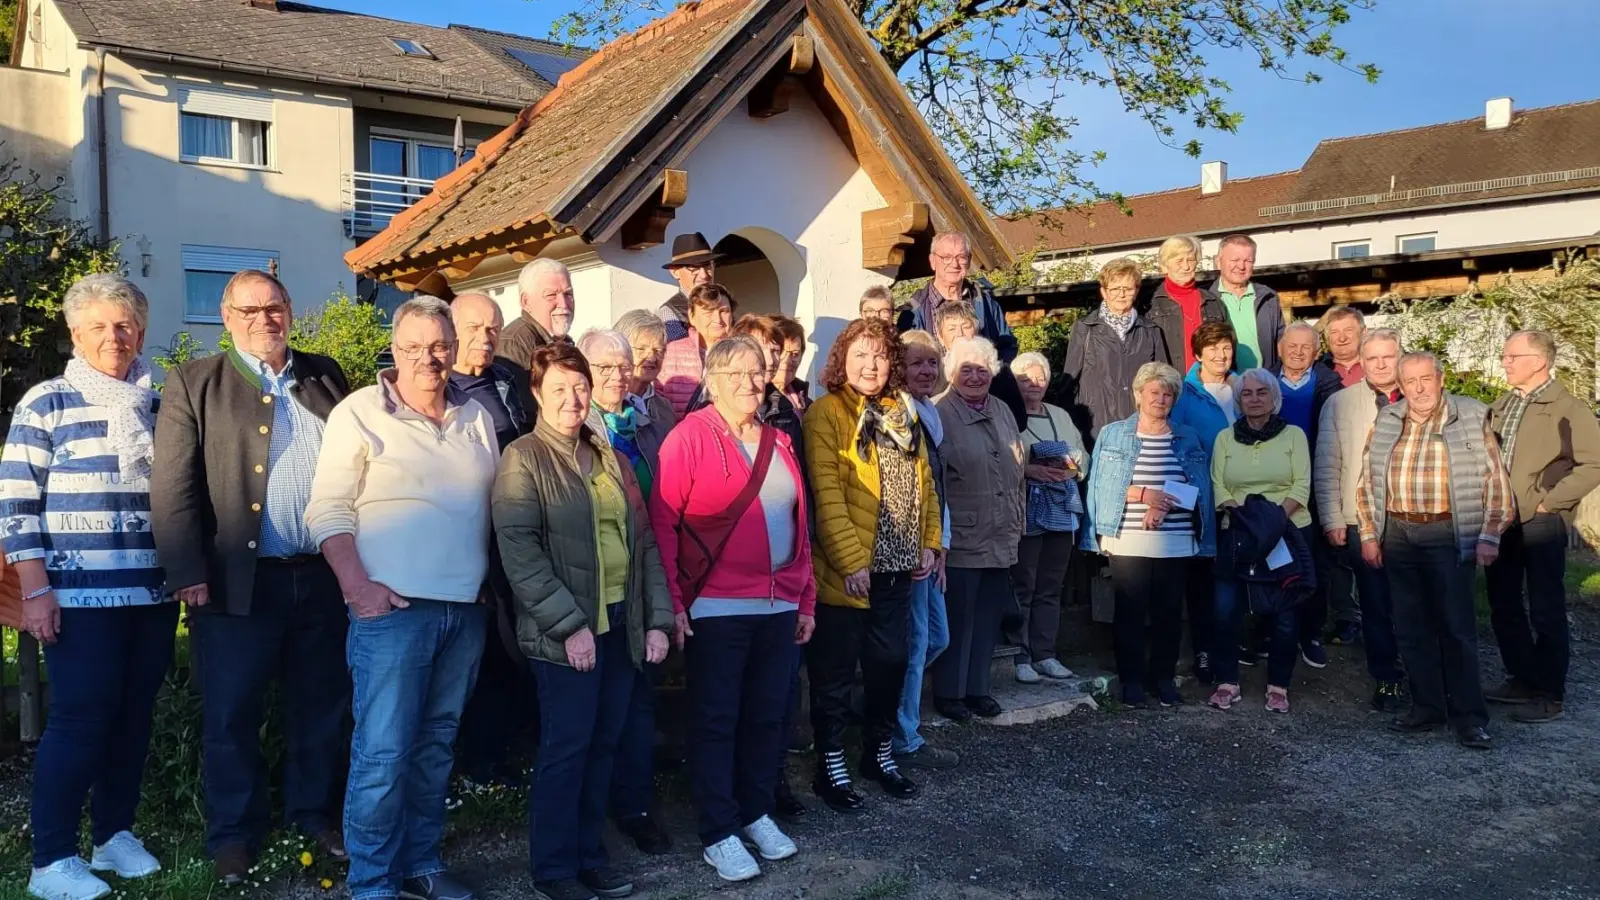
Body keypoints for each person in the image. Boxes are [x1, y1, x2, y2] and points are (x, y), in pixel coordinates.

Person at [150, 270, 351, 885]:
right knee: (231, 713)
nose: (265, 319)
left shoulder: (324, 374)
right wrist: (187, 571)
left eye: (275, 307)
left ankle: (313, 815)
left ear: (290, 310)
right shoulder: (195, 382)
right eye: (250, 310)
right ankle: (234, 835)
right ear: (227, 316)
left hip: (322, 576)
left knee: (321, 705)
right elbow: (174, 486)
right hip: (236, 583)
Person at [306, 296, 499, 900]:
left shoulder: (476, 416)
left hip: (464, 609)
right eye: (413, 348)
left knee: (436, 745)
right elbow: (327, 509)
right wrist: (356, 587)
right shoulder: (360, 412)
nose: (427, 359)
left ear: (454, 348)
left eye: (439, 346)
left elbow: (492, 505)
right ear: (393, 349)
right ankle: (372, 881)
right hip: (391, 612)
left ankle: (420, 864)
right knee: (383, 751)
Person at [2, 274, 172, 900]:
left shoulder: (160, 405)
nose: (113, 337)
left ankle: (112, 834)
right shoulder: (46, 402)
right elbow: (16, 500)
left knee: (133, 715)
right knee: (80, 718)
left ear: (141, 333)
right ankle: (50, 859)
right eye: (98, 326)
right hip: (77, 597)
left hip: (152, 594)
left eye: (124, 325)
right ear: (75, 334)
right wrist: (35, 589)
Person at [492, 341, 673, 900]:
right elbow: (520, 554)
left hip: (621, 620)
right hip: (566, 631)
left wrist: (657, 618)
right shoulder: (523, 459)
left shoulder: (607, 456)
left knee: (604, 743)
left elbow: (643, 542)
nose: (572, 399)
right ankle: (553, 869)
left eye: (580, 387)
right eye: (559, 389)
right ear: (537, 394)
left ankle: (591, 856)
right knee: (567, 748)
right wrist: (570, 627)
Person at [650, 336, 816, 883]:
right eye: (736, 373)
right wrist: (673, 602)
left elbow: (800, 526)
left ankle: (755, 811)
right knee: (717, 719)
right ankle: (718, 830)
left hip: (778, 603)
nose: (749, 382)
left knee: (768, 715)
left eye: (757, 372)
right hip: (717, 605)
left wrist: (805, 597)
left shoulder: (778, 440)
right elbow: (663, 526)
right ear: (713, 380)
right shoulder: (688, 437)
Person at [802, 318, 941, 811]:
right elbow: (826, 492)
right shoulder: (825, 413)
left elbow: (925, 483)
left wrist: (930, 542)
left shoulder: (903, 411)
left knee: (890, 666)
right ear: (842, 360)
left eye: (880, 355)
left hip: (897, 567)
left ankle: (878, 754)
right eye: (860, 354)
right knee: (835, 674)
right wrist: (849, 561)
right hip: (846, 573)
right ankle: (831, 764)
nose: (871, 364)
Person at [1356, 352, 1514, 750]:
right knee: (1410, 627)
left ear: (1440, 379)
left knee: (1456, 629)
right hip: (1398, 532)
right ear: (1401, 386)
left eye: (1426, 378)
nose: (1419, 388)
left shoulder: (1470, 417)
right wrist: (1369, 534)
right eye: (1410, 381)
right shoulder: (1388, 420)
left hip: (1447, 532)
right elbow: (1367, 481)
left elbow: (1495, 480)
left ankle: (1470, 718)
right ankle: (1427, 707)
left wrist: (1490, 534)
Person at [576, 328, 676, 856]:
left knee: (638, 702)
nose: (617, 376)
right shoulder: (575, 426)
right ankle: (592, 817)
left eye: (622, 365)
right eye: (604, 368)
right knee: (596, 708)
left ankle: (635, 805)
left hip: (646, 573)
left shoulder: (647, 421)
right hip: (594, 586)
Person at [1082, 362, 1215, 708]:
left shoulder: (1187, 436)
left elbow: (1200, 489)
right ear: (1139, 395)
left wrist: (1164, 503)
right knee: (1130, 611)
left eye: (1167, 394)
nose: (1160, 399)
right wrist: (1145, 495)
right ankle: (1132, 682)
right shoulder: (1113, 434)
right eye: (1154, 392)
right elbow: (1100, 486)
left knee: (1169, 614)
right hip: (1128, 538)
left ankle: (1164, 680)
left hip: (1176, 540)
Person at [1486, 331, 1600, 723]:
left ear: (1538, 361)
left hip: (1541, 521)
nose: (1505, 362)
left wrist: (1550, 502)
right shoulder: (1503, 404)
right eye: (1504, 355)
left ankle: (1550, 693)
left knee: (1545, 606)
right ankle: (1522, 679)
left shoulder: (1568, 409)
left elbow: (1594, 463)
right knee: (1504, 602)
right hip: (1501, 519)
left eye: (1512, 356)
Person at [451, 293, 540, 794]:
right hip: (462, 537)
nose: (485, 338)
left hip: (511, 535)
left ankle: (495, 759)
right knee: (469, 654)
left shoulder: (508, 379)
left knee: (508, 651)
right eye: (474, 328)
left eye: (492, 328)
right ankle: (468, 763)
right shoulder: (439, 386)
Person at [1205, 369, 1312, 714]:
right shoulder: (1225, 438)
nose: (1254, 399)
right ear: (1239, 400)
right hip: (1237, 532)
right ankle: (1227, 681)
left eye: (1261, 392)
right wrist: (1246, 521)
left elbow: (1301, 485)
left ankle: (1278, 685)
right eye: (1247, 393)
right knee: (1225, 609)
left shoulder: (1294, 435)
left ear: (1274, 398)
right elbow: (1218, 484)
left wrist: (1273, 521)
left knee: (1285, 612)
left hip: (1287, 531)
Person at [1314, 329, 1408, 712]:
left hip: (1413, 518)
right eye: (1372, 358)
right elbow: (1327, 465)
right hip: (1360, 519)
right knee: (1375, 602)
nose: (1381, 365)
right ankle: (1387, 677)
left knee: (1415, 601)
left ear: (1401, 356)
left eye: (1388, 356)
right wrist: (1332, 518)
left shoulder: (1421, 397)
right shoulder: (1340, 403)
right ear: (1362, 362)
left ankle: (1426, 674)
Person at [933, 336, 1026, 720]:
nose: (974, 377)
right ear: (951, 372)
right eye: (966, 369)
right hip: (962, 533)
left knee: (989, 615)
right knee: (959, 616)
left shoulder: (1003, 410)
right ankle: (949, 693)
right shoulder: (940, 412)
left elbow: (1017, 469)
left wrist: (1017, 521)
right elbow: (936, 480)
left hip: (1001, 531)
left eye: (982, 370)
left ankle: (978, 689)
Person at [892, 330, 959, 770]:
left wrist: (941, 545)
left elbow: (937, 489)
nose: (927, 370)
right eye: (916, 362)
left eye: (932, 362)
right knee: (918, 640)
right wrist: (920, 546)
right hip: (908, 547)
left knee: (937, 637)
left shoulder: (930, 413)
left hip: (931, 544)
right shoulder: (899, 414)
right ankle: (903, 736)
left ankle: (888, 709)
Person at [1008, 351, 1087, 685]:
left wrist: (1070, 469)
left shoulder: (1060, 414)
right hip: (1026, 506)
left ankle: (1045, 653)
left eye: (1040, 377)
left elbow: (1082, 454)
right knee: (1024, 584)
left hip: (1061, 508)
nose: (1034, 384)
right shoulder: (1008, 414)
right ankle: (1020, 655)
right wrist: (1029, 470)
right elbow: (1003, 459)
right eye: (1025, 379)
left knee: (1051, 585)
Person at [1170, 320, 1236, 683]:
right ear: (1198, 353)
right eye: (1212, 348)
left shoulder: (1244, 387)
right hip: (1202, 500)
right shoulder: (1184, 394)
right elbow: (1175, 444)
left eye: (1226, 347)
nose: (1220, 355)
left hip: (1240, 499)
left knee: (1235, 575)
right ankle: (1204, 651)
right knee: (1201, 580)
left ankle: (1234, 645)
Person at [1274, 321, 1342, 667]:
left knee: (1314, 562)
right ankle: (1269, 632)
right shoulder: (1263, 383)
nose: (1298, 352)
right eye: (1292, 346)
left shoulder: (1329, 387)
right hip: (1272, 485)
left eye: (1306, 347)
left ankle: (1310, 633)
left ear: (1316, 353)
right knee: (1272, 559)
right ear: (1279, 349)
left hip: (1314, 484)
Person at [1062, 258, 1171, 447]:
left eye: (1127, 288)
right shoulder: (1085, 328)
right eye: (1114, 289)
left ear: (1136, 290)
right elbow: (1069, 380)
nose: (1121, 294)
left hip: (1140, 423)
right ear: (1104, 291)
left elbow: (1164, 381)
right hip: (1096, 425)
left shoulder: (1151, 330)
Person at [899, 231, 1017, 365]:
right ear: (932, 261)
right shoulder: (913, 311)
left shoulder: (986, 303)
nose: (955, 264)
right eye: (946, 257)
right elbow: (904, 360)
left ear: (969, 260)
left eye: (961, 257)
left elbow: (1007, 346)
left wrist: (990, 370)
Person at [500, 259, 577, 407]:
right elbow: (523, 411)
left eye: (568, 294)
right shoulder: (514, 344)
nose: (564, 304)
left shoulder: (564, 344)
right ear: (526, 302)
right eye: (551, 295)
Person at [1201, 234, 1283, 372]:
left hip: (1264, 379)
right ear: (1218, 261)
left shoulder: (1268, 297)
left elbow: (1281, 340)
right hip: (1223, 380)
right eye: (1235, 260)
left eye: (1248, 261)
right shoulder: (1205, 298)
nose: (1241, 266)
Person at [659, 284, 735, 419]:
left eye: (724, 311)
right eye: (709, 312)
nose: (717, 319)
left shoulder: (741, 354)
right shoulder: (671, 353)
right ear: (691, 316)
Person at [1146, 235, 1206, 370]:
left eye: (1191, 260)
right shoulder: (1150, 304)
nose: (1186, 266)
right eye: (1179, 261)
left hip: (1207, 380)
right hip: (1169, 379)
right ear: (1164, 266)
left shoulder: (1211, 301)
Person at [614, 309, 676, 428]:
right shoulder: (608, 403)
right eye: (641, 349)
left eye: (658, 350)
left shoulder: (665, 409)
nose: (652, 358)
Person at [658, 232, 722, 342]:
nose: (704, 275)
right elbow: (680, 349)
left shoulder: (723, 302)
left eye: (708, 266)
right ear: (675, 272)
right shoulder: (670, 312)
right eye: (694, 268)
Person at [772, 315, 811, 414]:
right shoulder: (757, 401)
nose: (787, 360)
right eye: (780, 352)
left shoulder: (806, 403)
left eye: (795, 354)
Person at [1319, 307, 1367, 387]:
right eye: (1335, 332)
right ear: (1327, 337)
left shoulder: (1379, 365)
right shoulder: (1317, 371)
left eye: (1348, 330)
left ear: (1363, 332)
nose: (1342, 338)